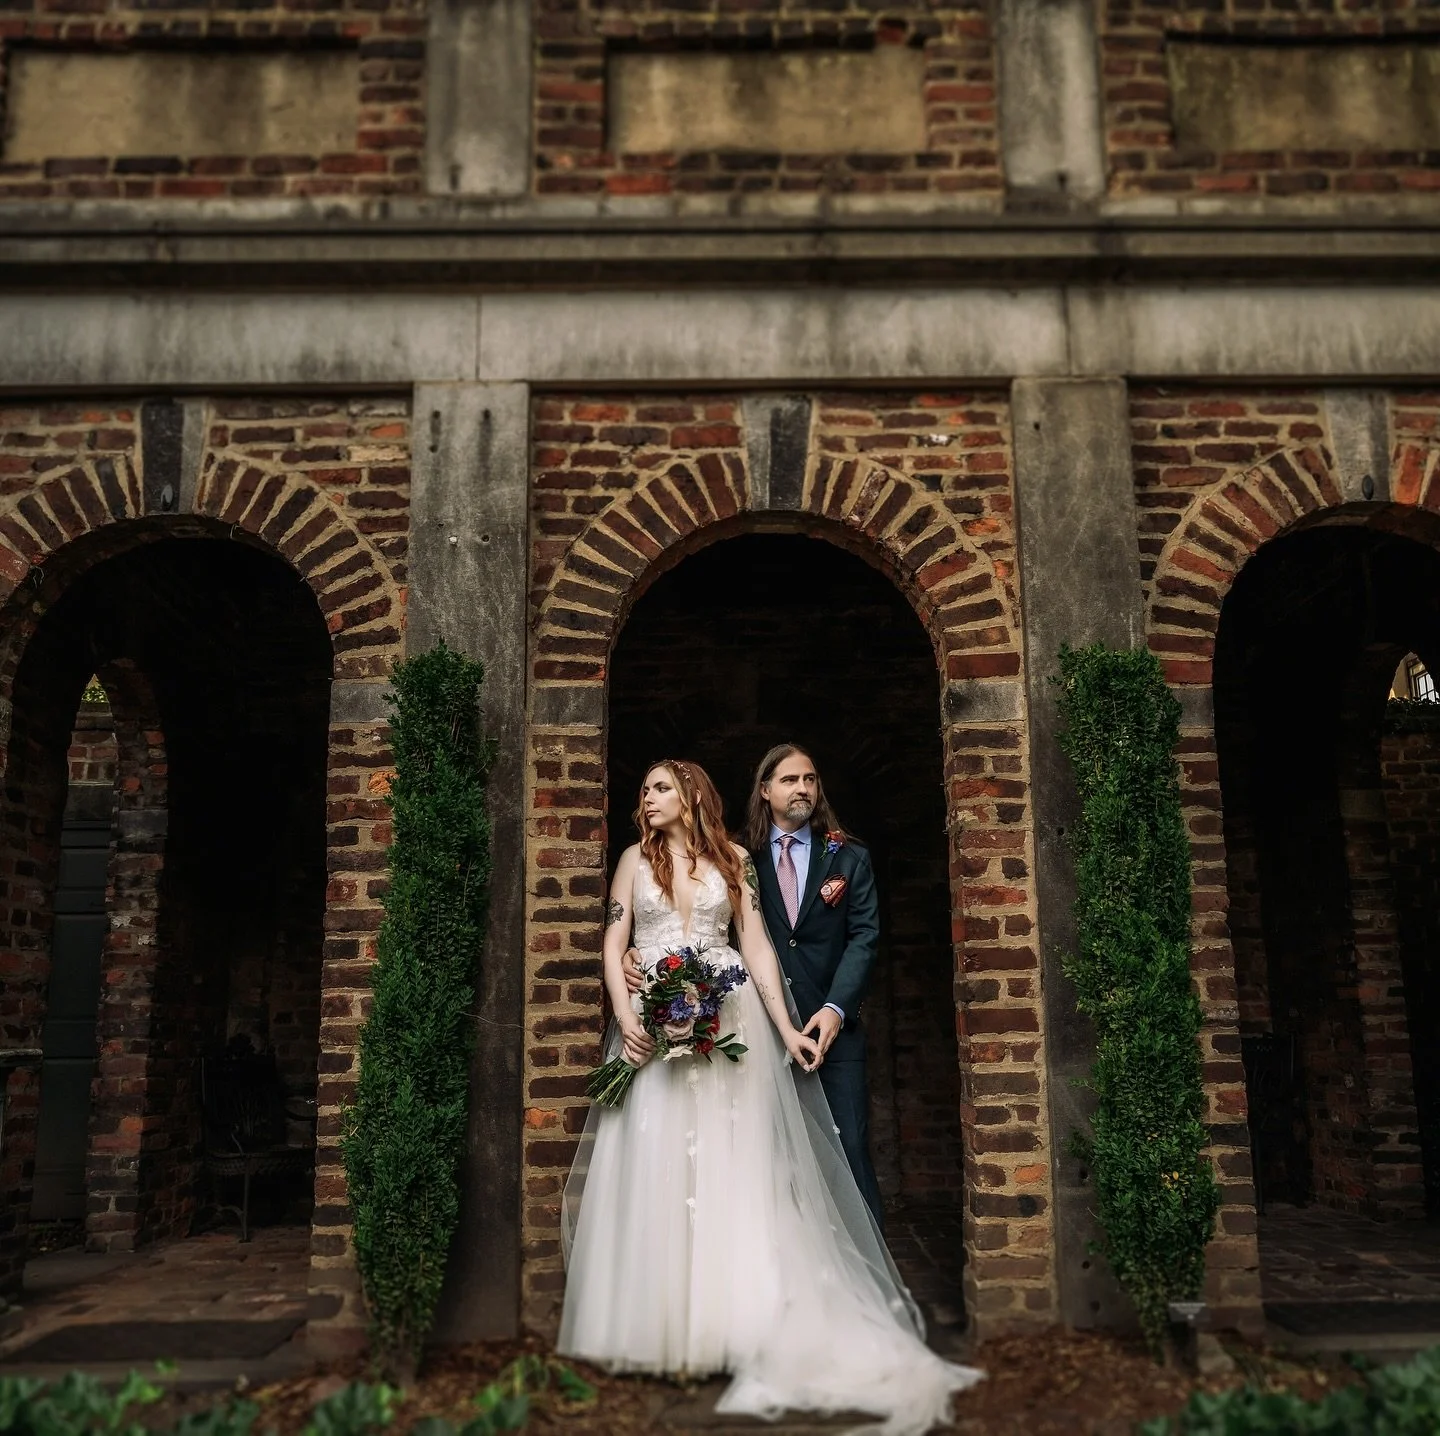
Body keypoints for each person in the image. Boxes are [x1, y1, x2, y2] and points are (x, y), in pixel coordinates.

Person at [559, 759, 980, 1434]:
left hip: (730, 1023)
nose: (648, 798)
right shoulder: (634, 859)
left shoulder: (732, 860)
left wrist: (786, 1027)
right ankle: (665, 1330)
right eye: (645, 790)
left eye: (660, 787)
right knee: (660, 1166)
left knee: (736, 1167)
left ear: (692, 794)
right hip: (653, 1022)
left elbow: (755, 947)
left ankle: (738, 1322)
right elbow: (614, 943)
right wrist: (629, 1015)